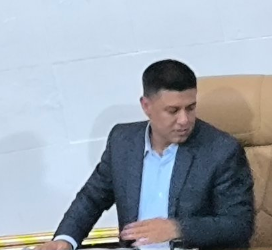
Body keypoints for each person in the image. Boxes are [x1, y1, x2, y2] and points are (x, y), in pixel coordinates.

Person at [36, 60, 254, 250]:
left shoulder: (221, 150)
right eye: (173, 111)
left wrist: (178, 229)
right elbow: (91, 199)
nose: (184, 120)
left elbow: (239, 225)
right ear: (146, 106)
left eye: (190, 108)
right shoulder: (123, 142)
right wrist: (65, 240)